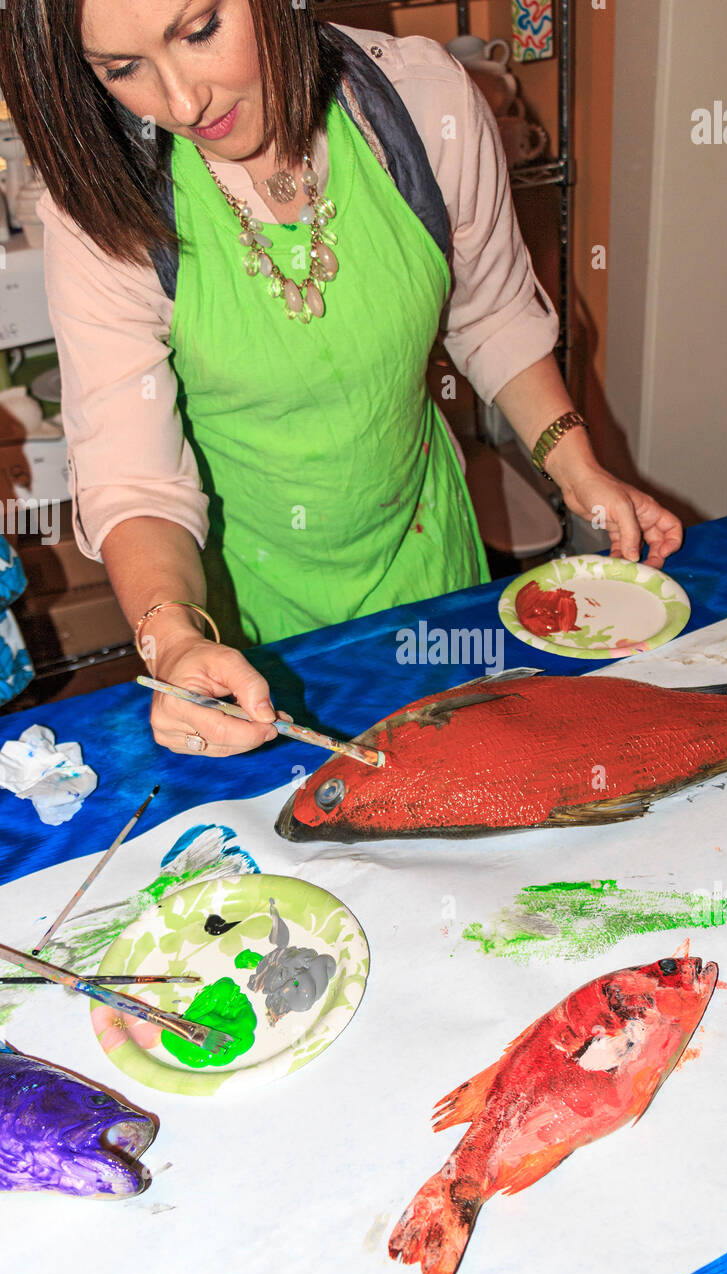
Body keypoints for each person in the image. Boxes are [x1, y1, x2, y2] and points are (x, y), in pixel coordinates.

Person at [0, 1, 683, 758]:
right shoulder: (101, 204)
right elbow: (136, 477)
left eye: (199, 33)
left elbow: (490, 313)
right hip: (242, 605)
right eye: (123, 70)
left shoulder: (422, 105)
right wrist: (171, 639)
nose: (184, 102)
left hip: (426, 559)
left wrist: (575, 463)